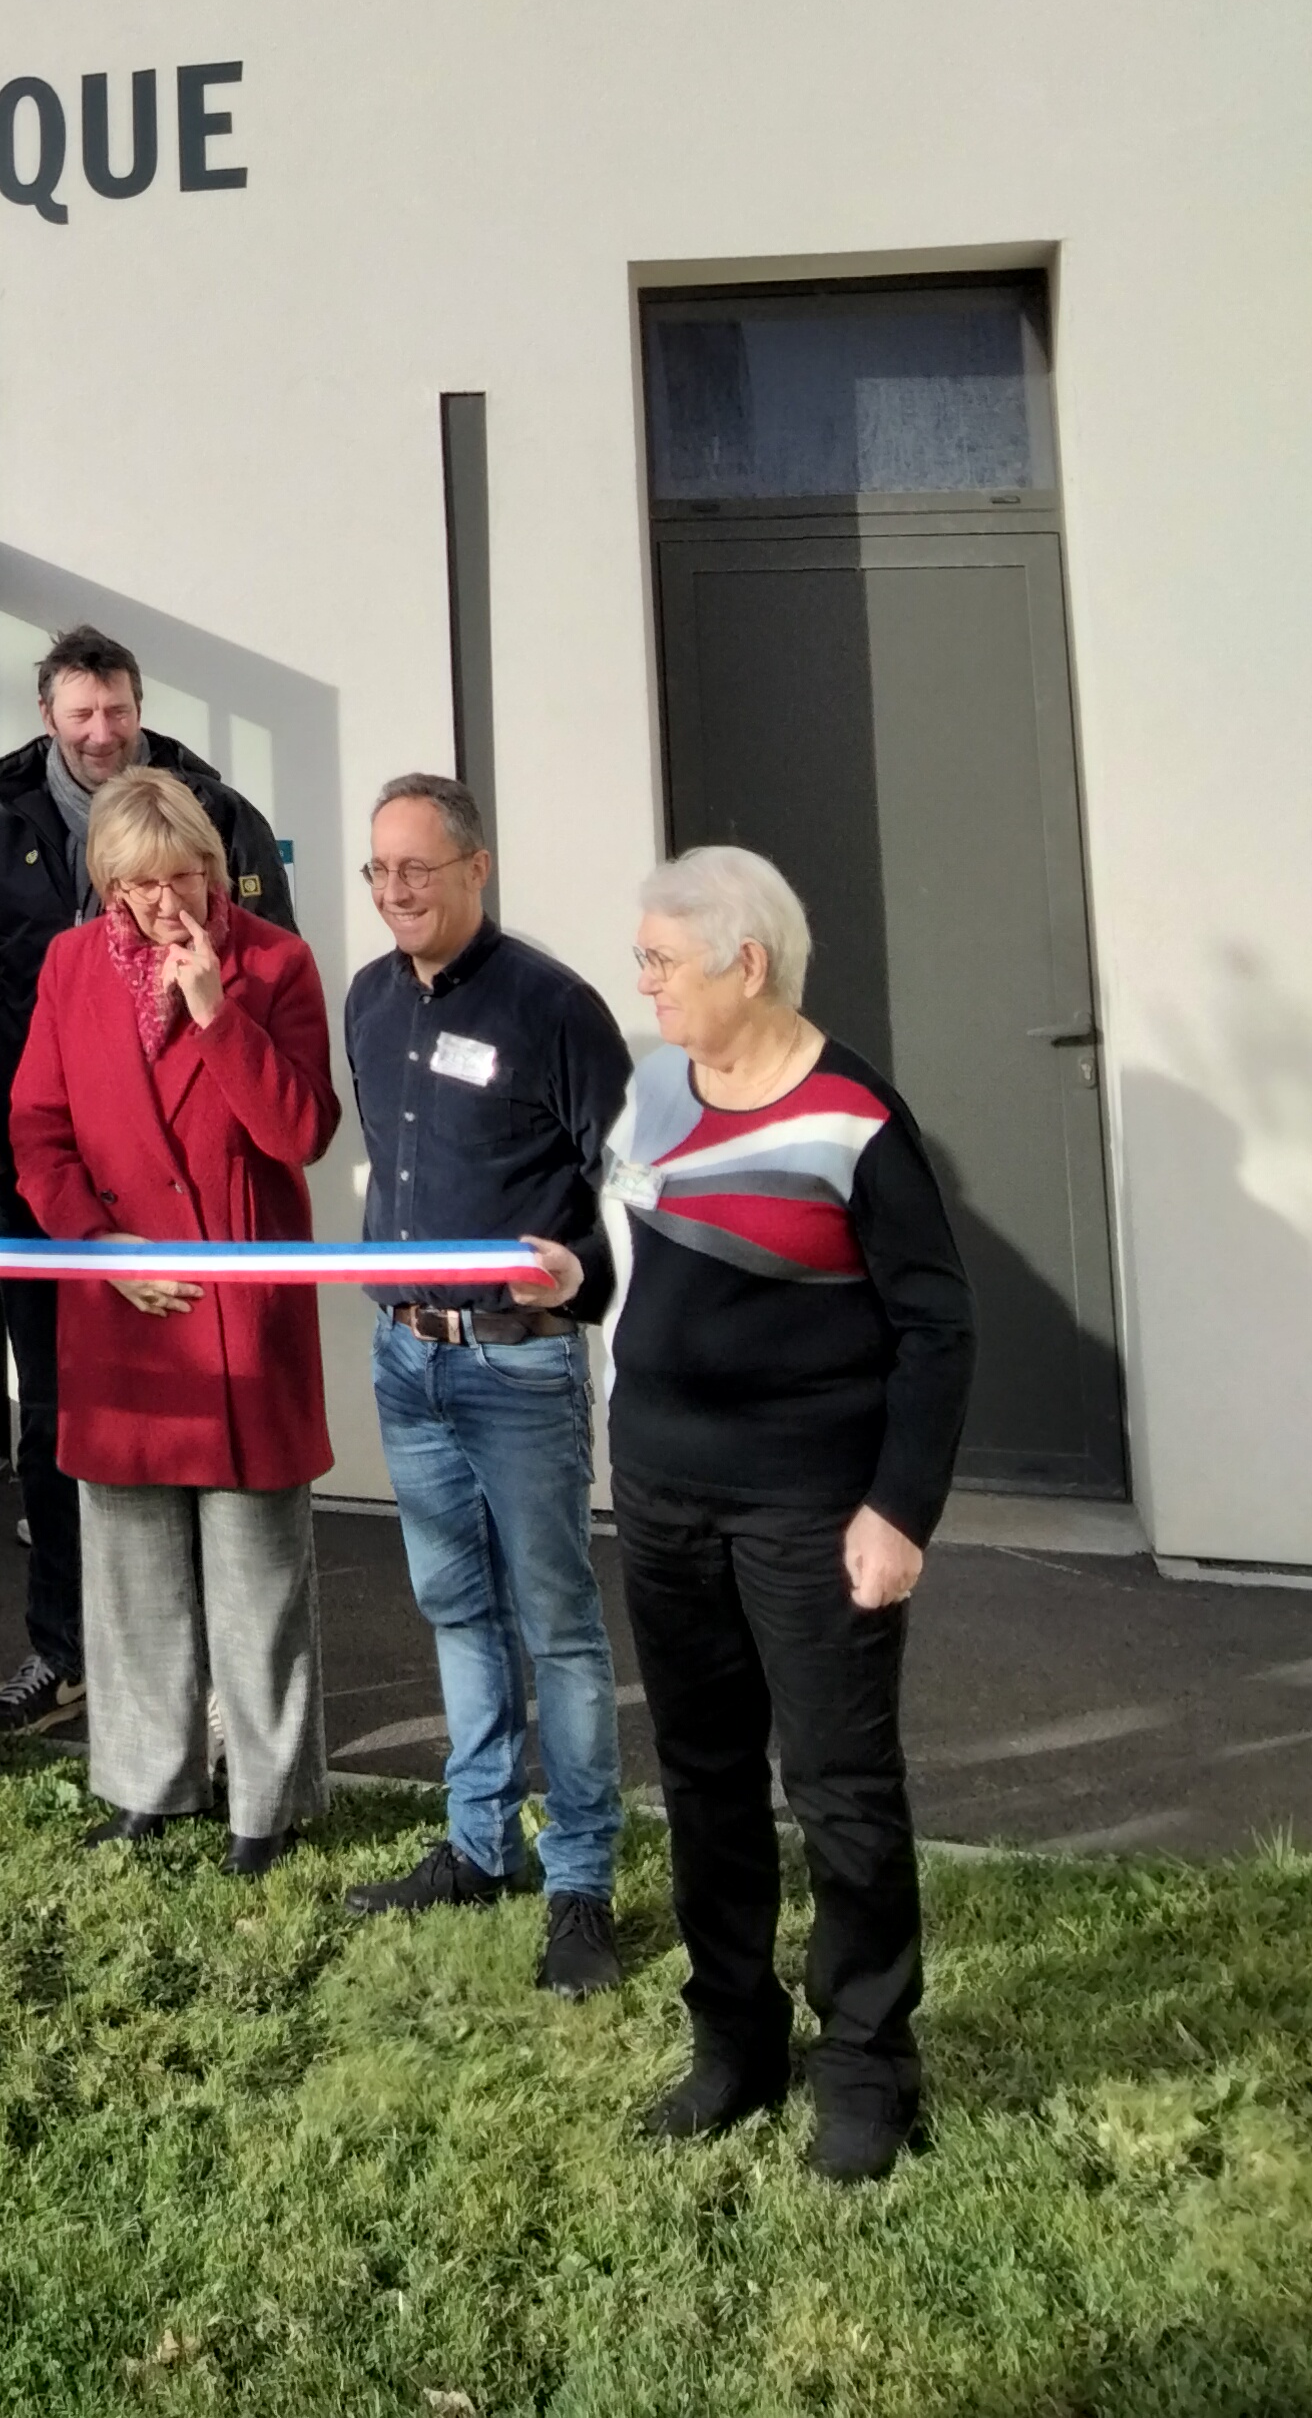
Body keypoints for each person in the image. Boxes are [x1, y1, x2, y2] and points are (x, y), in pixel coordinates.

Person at [576, 844, 974, 2179]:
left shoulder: (855, 1117)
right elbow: (627, 1263)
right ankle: (733, 2041)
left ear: (746, 963)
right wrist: (562, 1275)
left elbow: (937, 1330)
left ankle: (867, 2063)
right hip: (665, 1496)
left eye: (660, 961)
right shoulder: (652, 1092)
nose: (645, 984)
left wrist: (898, 1510)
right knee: (703, 1777)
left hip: (812, 1508)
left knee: (841, 1788)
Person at [0, 626, 297, 1741]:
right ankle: (63, 1650)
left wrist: (214, 1011)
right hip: (55, 1195)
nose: (102, 731)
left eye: (117, 709)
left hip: (202, 1204)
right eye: (81, 713)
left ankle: (223, 1694)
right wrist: (25, 1188)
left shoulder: (218, 812)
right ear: (49, 717)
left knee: (216, 1457)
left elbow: (274, 996)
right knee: (63, 1428)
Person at [8, 772, 340, 1868]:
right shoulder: (69, 966)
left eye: (182, 877)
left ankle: (267, 1803)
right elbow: (38, 1129)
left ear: (214, 867)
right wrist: (96, 1246)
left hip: (237, 1311)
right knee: (132, 1570)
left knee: (257, 1578)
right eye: (138, 884)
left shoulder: (276, 964)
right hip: (119, 1303)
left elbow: (301, 1132)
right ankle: (150, 1783)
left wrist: (215, 1012)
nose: (163, 902)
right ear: (107, 884)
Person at [338, 772, 634, 1999]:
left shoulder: (554, 1006)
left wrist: (587, 1284)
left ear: (477, 867)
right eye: (380, 868)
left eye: (419, 866)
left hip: (519, 1360)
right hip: (407, 1357)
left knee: (556, 1621)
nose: (396, 889)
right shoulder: (368, 999)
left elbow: (628, 1180)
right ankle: (478, 1841)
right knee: (455, 1606)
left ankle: (580, 1879)